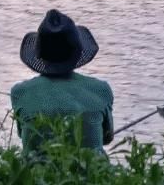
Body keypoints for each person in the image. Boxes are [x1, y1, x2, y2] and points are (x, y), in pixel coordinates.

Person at [10, 9, 114, 154]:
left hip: (36, 173)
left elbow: (23, 134)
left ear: (39, 54)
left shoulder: (20, 92)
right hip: (91, 172)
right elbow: (107, 137)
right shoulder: (101, 89)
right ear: (77, 52)